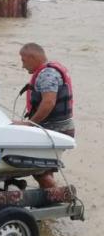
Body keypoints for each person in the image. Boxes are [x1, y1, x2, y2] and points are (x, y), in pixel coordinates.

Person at [18, 42, 75, 189]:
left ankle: (62, 196)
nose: (23, 66)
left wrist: (29, 123)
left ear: (33, 57)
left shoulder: (47, 75)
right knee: (45, 167)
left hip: (55, 129)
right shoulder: (49, 70)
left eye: (23, 60)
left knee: (36, 167)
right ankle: (50, 196)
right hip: (59, 127)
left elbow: (48, 102)